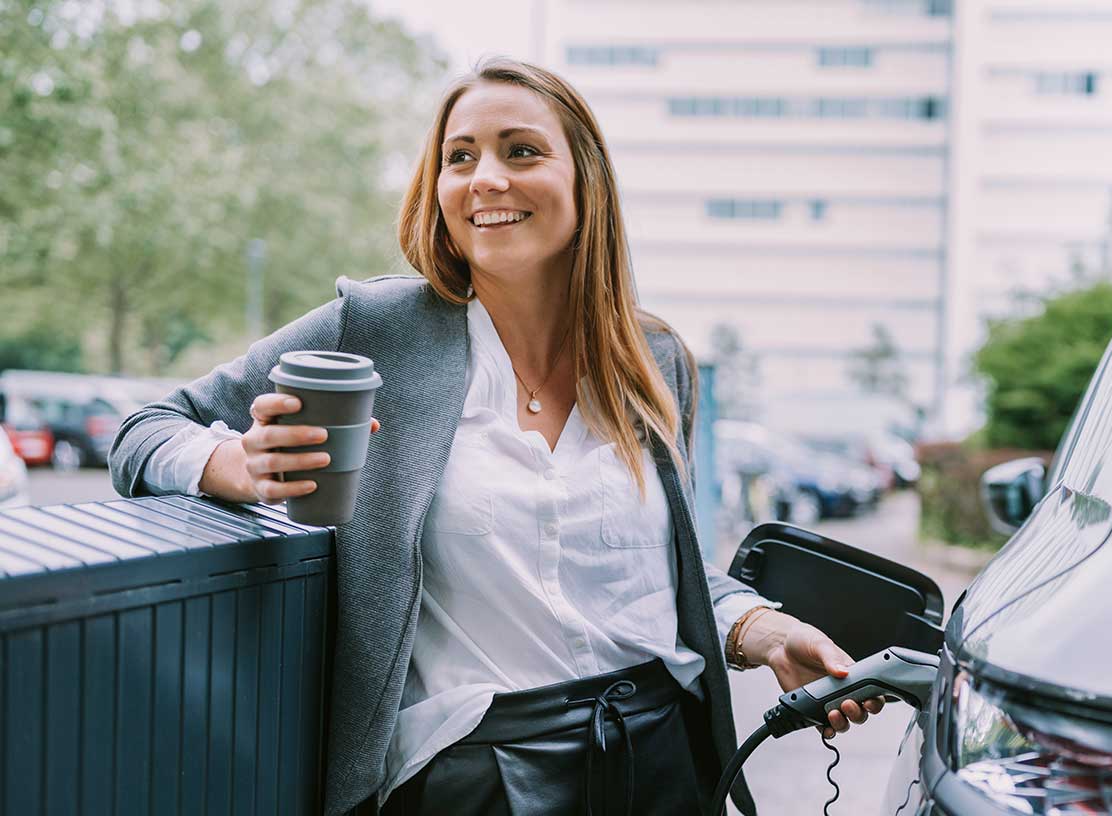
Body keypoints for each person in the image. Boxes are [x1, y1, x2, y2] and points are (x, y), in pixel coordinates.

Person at [109, 58, 881, 815]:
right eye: (459, 157)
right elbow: (142, 430)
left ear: (586, 180)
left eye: (522, 151)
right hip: (471, 777)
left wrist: (762, 629)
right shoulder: (374, 331)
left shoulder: (655, 360)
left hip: (664, 761)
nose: (485, 178)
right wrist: (232, 466)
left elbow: (656, 573)